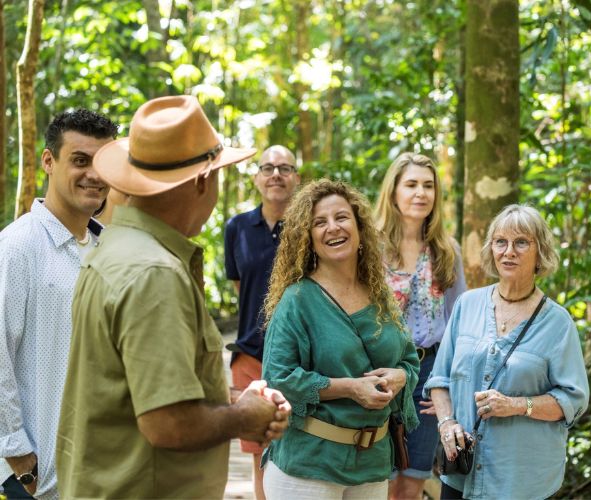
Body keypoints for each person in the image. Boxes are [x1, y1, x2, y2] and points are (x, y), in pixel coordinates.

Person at [56, 95, 291, 498]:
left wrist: (232, 398)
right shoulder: (154, 274)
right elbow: (168, 423)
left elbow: (134, 389)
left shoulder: (116, 248)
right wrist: (242, 417)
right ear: (202, 181)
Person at [261, 179, 420, 499]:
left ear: (360, 229)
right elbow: (277, 378)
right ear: (308, 237)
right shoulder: (297, 300)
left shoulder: (380, 295)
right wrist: (350, 388)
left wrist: (400, 376)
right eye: (320, 222)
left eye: (342, 217)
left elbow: (408, 358)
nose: (333, 228)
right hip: (309, 467)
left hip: (372, 465)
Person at [424, 204, 589, 500]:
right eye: (501, 242)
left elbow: (573, 400)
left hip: (521, 480)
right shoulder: (467, 305)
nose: (509, 251)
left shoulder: (558, 323)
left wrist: (517, 405)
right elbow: (439, 380)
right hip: (461, 472)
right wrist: (447, 423)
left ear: (540, 253)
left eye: (521, 242)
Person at [0, 109, 117, 500]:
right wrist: (19, 461)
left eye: (102, 162)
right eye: (80, 161)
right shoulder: (16, 249)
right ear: (48, 162)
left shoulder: (108, 249)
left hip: (103, 473)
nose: (94, 175)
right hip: (40, 481)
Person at [374, 152, 466, 499]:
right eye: (411, 184)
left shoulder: (446, 250)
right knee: (376, 479)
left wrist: (449, 386)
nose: (420, 193)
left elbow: (460, 324)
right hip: (379, 370)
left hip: (429, 372)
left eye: (428, 185)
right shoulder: (371, 248)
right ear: (394, 191)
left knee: (411, 482)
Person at [224, 145, 300, 499]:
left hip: (298, 358)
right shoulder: (236, 227)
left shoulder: (306, 228)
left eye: (285, 168)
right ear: (256, 178)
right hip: (250, 354)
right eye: (268, 168)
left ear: (296, 178)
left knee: (293, 447)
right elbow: (243, 288)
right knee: (258, 453)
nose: (276, 175)